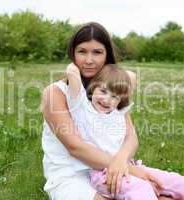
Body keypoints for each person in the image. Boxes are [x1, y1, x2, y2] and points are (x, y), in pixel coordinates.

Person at [65, 63, 184, 200]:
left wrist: (114, 77)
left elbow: (131, 77)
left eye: (115, 97)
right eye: (103, 91)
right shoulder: (82, 109)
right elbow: (72, 70)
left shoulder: (118, 112)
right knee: (141, 189)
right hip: (102, 174)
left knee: (173, 181)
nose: (107, 100)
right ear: (92, 88)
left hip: (129, 166)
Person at [41, 22, 143, 200]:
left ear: (106, 56)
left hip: (110, 168)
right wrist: (126, 167)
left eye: (97, 52)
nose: (89, 60)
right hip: (72, 174)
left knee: (161, 193)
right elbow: (76, 148)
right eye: (82, 51)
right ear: (73, 53)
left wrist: (122, 160)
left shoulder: (110, 95)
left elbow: (131, 136)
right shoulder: (55, 92)